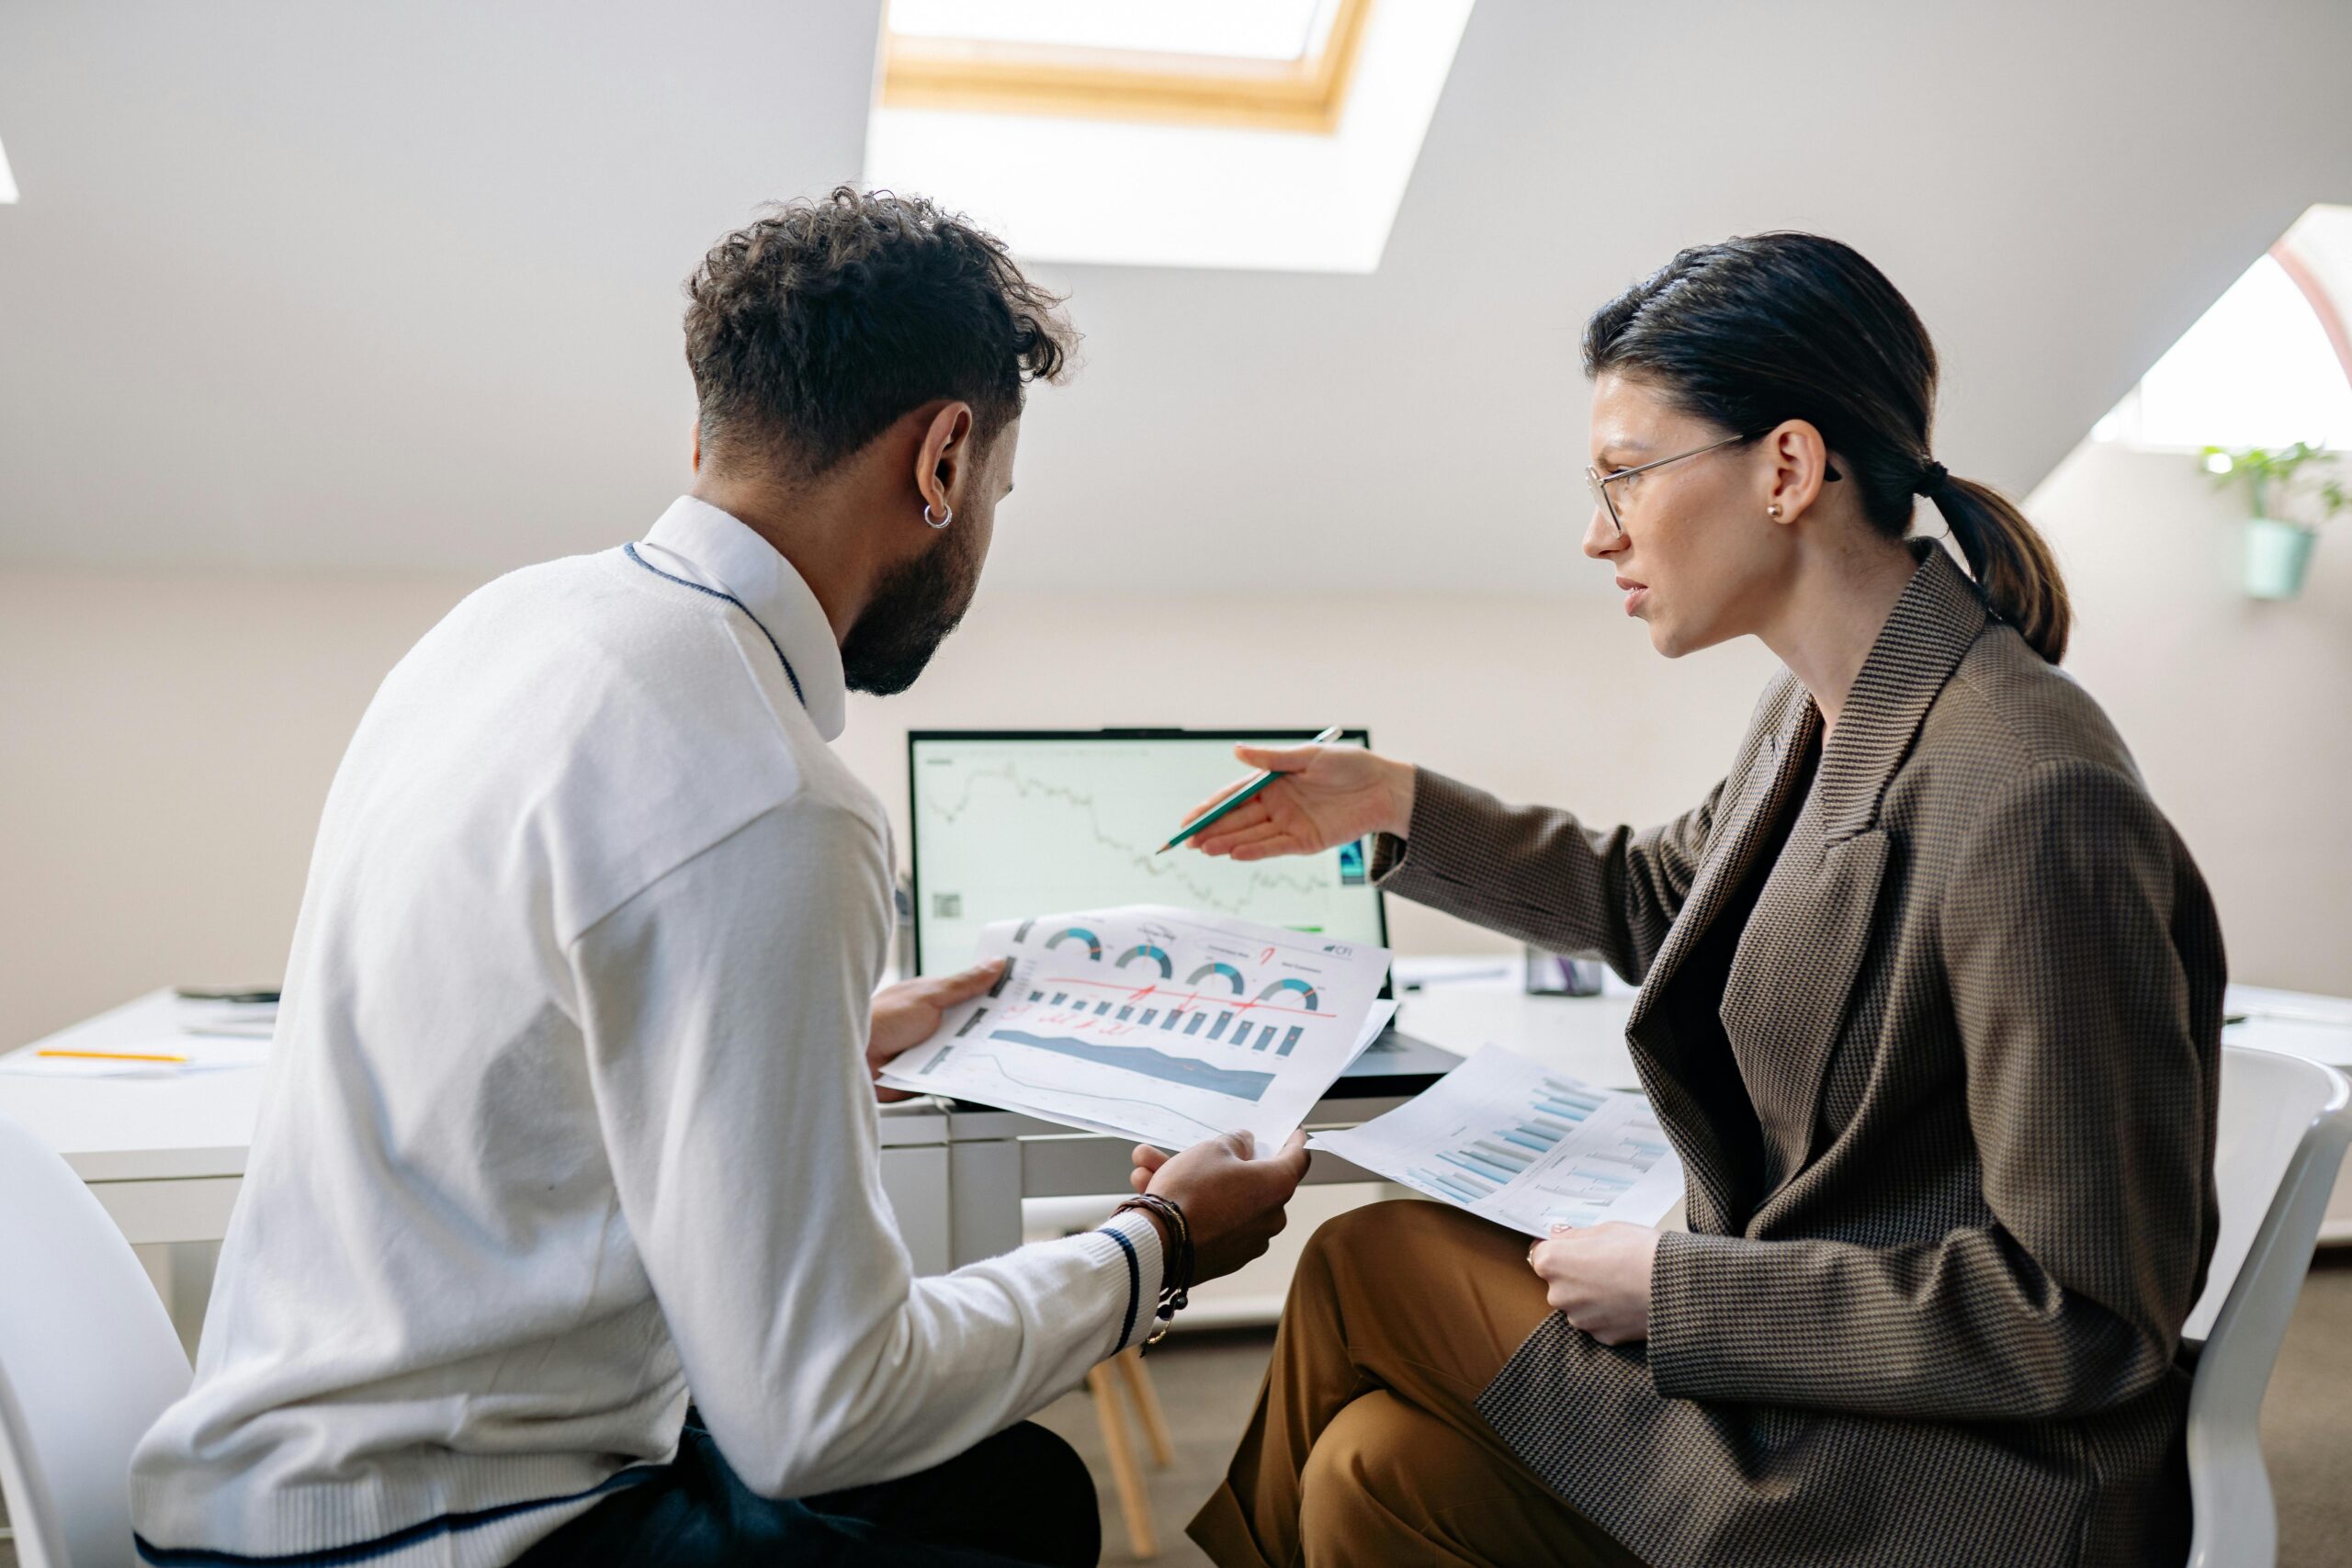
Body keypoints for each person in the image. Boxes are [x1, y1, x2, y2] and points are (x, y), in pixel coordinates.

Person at [130, 188, 1309, 1568]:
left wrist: (819, 1035)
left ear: (708, 434)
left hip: (265, 1475)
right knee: (1008, 1513)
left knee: (1009, 1490)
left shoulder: (500, 627)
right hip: (439, 1530)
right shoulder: (774, 799)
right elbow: (822, 1412)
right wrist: (1157, 1248)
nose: (981, 532)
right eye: (993, 490)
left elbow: (533, 1023)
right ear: (939, 460)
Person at [1171, 233, 2224, 1568]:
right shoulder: (1821, 707)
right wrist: (1394, 802)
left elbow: (2081, 1312)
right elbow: (1659, 895)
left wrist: (1683, 1294)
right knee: (1373, 1479)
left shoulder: (2032, 798)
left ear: (1785, 468)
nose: (1598, 530)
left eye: (1625, 475)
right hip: (1820, 1401)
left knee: (1362, 1267)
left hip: (1952, 1476)